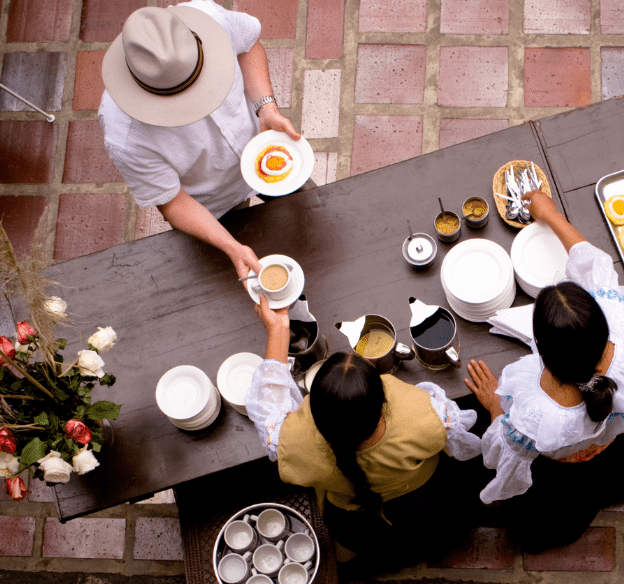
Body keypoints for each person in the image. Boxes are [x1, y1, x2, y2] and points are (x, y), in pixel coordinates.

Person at [465, 191, 624, 553]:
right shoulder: (621, 328)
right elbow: (594, 264)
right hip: (612, 442)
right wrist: (551, 214)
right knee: (609, 478)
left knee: (552, 513)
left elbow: (501, 452)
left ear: (541, 351)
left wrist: (494, 407)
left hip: (563, 473)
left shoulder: (535, 408)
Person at [244, 297, 483, 570]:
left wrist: (278, 331)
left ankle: (355, 556)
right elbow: (459, 437)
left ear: (312, 413)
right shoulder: (424, 416)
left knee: (369, 544)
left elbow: (267, 409)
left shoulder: (296, 442)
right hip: (427, 497)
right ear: (382, 407)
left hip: (356, 518)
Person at [98, 2, 301, 283]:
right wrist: (232, 247)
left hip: (267, 149)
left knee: (310, 219)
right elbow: (172, 202)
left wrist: (267, 107)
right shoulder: (125, 135)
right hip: (213, 208)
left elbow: (249, 45)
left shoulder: (210, 16)